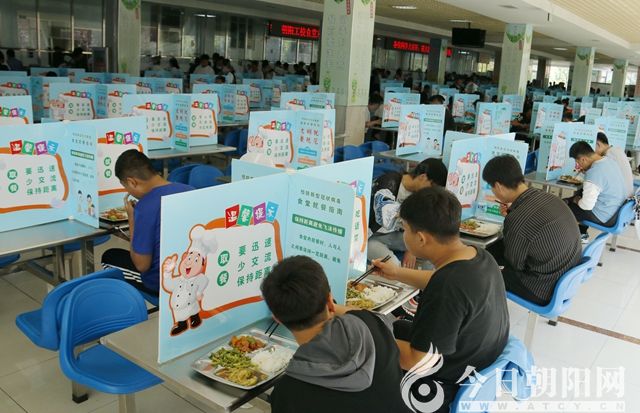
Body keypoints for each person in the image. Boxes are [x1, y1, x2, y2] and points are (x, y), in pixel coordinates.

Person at [372, 187, 509, 412]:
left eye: (404, 229)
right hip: (477, 365)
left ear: (421, 238)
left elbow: (417, 361)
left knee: (364, 351)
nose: (403, 235)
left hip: (442, 387)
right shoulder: (479, 256)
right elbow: (440, 279)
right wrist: (396, 273)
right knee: (394, 327)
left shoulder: (446, 288)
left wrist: (366, 339)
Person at [261, 256, 411, 413]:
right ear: (330, 302)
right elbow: (358, 314)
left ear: (277, 319)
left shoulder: (287, 394)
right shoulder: (372, 324)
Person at [483, 155, 582, 305]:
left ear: (499, 186)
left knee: (482, 273)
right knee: (492, 252)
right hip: (566, 276)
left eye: (491, 187)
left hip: (544, 288)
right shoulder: (546, 197)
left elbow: (515, 265)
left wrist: (512, 220)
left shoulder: (518, 219)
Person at [101, 150, 193, 295]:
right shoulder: (189, 190)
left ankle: (127, 302)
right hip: (191, 271)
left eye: (126, 187)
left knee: (109, 257)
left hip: (160, 283)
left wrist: (132, 219)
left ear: (132, 182)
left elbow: (141, 265)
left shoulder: (144, 207)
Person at [368, 159, 448, 268]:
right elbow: (385, 215)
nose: (432, 192)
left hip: (396, 236)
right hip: (371, 238)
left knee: (433, 249)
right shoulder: (388, 182)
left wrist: (411, 251)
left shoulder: (421, 194)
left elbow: (422, 225)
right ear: (423, 177)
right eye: (432, 187)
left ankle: (430, 278)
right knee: (394, 266)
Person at [567, 141, 628, 240]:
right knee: (578, 195)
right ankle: (582, 233)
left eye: (578, 163)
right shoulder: (609, 161)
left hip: (606, 216)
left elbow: (586, 206)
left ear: (583, 159)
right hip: (618, 211)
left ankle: (569, 239)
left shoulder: (594, 172)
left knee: (564, 207)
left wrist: (576, 200)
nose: (579, 166)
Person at [595, 132, 634, 197]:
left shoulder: (608, 156)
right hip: (629, 196)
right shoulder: (617, 150)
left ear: (598, 144)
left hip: (621, 198)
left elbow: (599, 178)